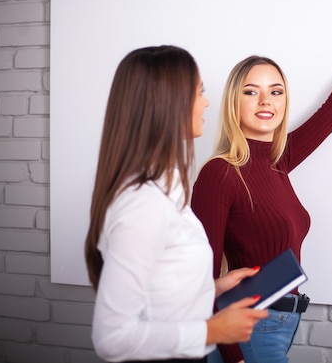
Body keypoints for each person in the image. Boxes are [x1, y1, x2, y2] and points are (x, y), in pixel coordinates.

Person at [191, 2, 332, 363]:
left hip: (283, 321)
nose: (266, 100)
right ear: (233, 102)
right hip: (250, 328)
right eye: (251, 91)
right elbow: (199, 281)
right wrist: (232, 354)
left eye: (276, 91)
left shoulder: (278, 162)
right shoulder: (220, 173)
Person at [84, 45, 268, 363]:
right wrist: (213, 331)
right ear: (168, 104)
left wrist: (213, 288)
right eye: (199, 92)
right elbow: (111, 338)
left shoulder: (167, 191)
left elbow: (159, 297)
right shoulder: (144, 205)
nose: (207, 101)